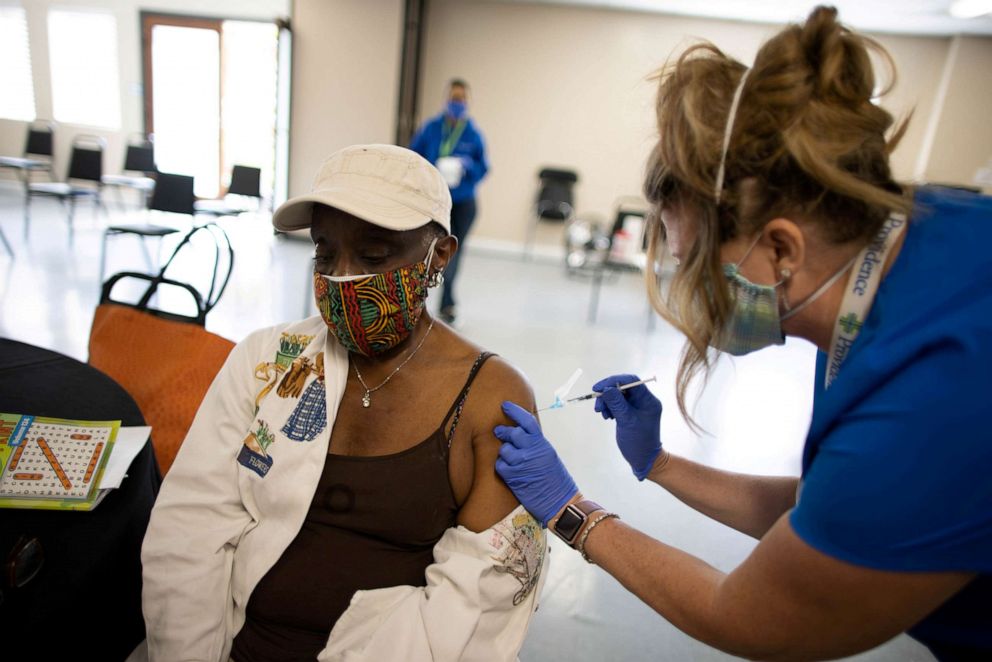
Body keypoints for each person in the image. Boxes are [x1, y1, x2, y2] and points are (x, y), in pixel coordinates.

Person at [492, 7, 991, 661]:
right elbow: (822, 512)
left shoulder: (934, 392)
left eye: (696, 267)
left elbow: (753, 617)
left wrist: (570, 510)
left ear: (781, 250)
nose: (693, 295)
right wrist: (659, 464)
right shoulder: (907, 251)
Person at [141, 144, 547, 662]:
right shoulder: (268, 361)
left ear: (438, 255)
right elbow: (190, 529)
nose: (344, 278)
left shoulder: (491, 398)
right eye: (325, 253)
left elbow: (478, 605)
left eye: (375, 255)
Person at [410, 78, 489, 325]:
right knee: (426, 251)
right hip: (435, 201)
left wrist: (467, 166)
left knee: (453, 253)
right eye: (454, 98)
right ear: (446, 99)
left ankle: (447, 304)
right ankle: (415, 299)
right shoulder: (432, 128)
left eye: (462, 99)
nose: (458, 103)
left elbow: (483, 167)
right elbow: (413, 157)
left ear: (468, 102)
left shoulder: (473, 133)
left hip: (463, 203)